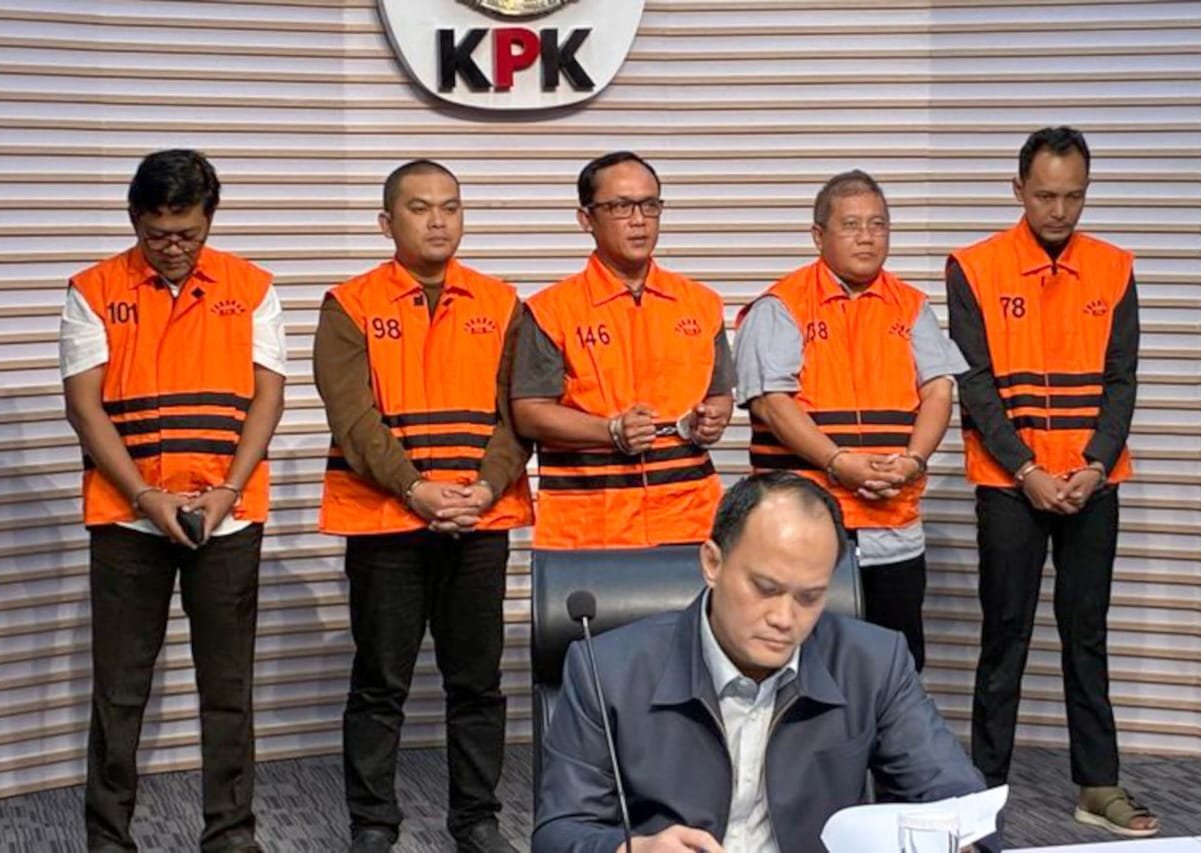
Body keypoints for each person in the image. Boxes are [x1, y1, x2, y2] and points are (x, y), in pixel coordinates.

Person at [534, 472, 991, 852]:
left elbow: (956, 795)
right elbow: (560, 831)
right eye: (765, 589)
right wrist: (633, 849)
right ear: (712, 563)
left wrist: (963, 841)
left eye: (809, 598)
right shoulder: (608, 669)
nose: (784, 619)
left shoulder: (873, 662)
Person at [60, 149, 286, 852]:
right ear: (135, 219)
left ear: (209, 219)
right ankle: (108, 837)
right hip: (127, 520)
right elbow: (84, 407)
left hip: (228, 517)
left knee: (228, 688)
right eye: (157, 234)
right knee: (120, 689)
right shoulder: (93, 289)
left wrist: (228, 490)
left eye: (188, 233)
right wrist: (145, 495)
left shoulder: (252, 287)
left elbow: (268, 396)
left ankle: (231, 834)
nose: (173, 247)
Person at [314, 159, 532, 853]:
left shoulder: (502, 303)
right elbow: (353, 419)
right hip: (386, 524)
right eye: (420, 208)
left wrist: (485, 488)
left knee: (478, 683)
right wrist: (416, 489)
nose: (438, 221)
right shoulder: (349, 304)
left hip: (478, 520)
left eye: (450, 206)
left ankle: (477, 820)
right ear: (387, 222)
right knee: (381, 683)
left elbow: (519, 413)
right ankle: (373, 823)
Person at [946, 126, 1157, 838]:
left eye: (1073, 196)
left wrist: (1094, 464)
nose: (1059, 211)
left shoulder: (1114, 267)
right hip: (1012, 483)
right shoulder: (974, 267)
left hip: (1093, 482)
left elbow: (1123, 379)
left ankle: (1098, 783)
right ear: (1018, 190)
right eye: (1045, 196)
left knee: (1086, 633)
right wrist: (1027, 470)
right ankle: (981, 792)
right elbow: (975, 383)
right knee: (1004, 636)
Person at [734, 169, 966, 672]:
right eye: (852, 225)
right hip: (803, 529)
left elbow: (939, 389)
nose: (867, 237)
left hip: (893, 527)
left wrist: (914, 460)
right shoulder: (782, 306)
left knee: (895, 666)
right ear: (819, 236)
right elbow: (771, 402)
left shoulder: (912, 306)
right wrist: (838, 462)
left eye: (878, 225)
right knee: (803, 668)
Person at [511, 151, 734, 549]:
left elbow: (719, 393)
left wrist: (712, 420)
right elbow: (529, 413)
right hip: (586, 526)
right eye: (620, 207)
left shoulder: (701, 304)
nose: (639, 220)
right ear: (586, 219)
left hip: (690, 519)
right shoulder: (551, 311)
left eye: (650, 205)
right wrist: (610, 431)